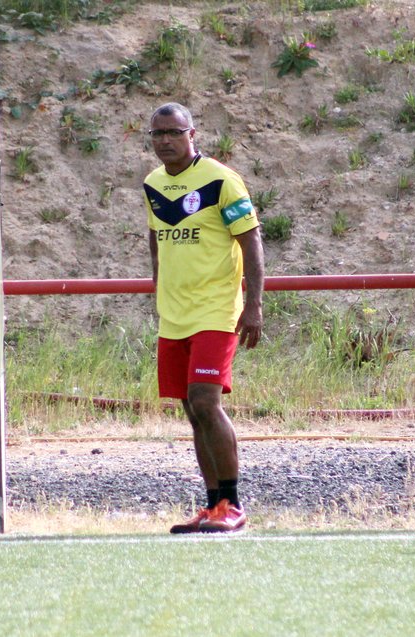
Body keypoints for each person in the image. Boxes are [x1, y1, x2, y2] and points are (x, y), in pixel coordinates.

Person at [143, 102, 264, 534]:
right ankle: (212, 506)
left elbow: (251, 240)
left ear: (192, 134)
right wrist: (159, 284)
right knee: (192, 411)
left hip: (216, 308)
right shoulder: (153, 183)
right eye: (158, 134)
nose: (165, 141)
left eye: (174, 132)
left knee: (205, 401)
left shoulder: (220, 179)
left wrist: (254, 304)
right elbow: (156, 237)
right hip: (174, 314)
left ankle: (233, 504)